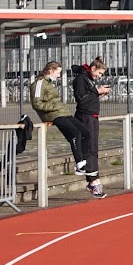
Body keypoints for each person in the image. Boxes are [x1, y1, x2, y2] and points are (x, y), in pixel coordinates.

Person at [30, 61, 100, 198]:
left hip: (62, 112)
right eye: (58, 72)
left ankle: (84, 161)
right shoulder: (39, 83)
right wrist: (53, 107)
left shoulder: (49, 83)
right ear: (50, 70)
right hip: (53, 114)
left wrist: (59, 107)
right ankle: (79, 163)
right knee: (74, 133)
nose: (59, 76)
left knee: (85, 132)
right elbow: (36, 103)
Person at [71, 58, 111, 190]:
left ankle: (93, 179)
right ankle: (93, 180)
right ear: (93, 69)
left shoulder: (89, 79)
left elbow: (89, 97)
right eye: (99, 73)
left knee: (93, 148)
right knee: (89, 147)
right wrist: (97, 91)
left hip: (92, 116)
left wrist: (98, 94)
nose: (100, 76)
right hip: (85, 117)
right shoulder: (81, 79)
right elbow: (81, 99)